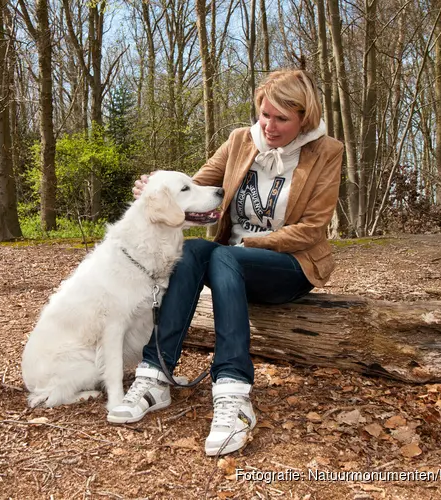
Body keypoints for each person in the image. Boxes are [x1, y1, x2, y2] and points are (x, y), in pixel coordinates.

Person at [107, 69, 345, 456]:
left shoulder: (326, 152)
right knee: (197, 252)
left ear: (305, 117)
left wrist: (248, 242)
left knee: (222, 256)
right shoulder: (240, 141)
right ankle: (155, 376)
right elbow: (193, 190)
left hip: (288, 265)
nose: (269, 126)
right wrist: (155, 190)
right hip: (227, 263)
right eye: (264, 114)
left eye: (282, 118)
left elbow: (313, 228)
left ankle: (234, 394)